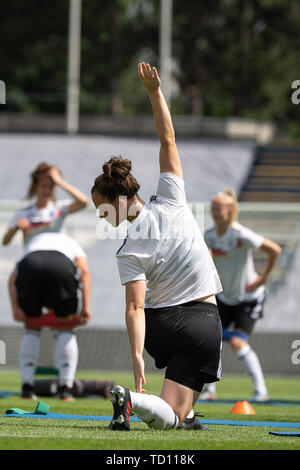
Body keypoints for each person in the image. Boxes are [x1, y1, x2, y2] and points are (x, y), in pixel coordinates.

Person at [91, 62, 223, 431]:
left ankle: (185, 412)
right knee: (172, 417)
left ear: (117, 202)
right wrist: (154, 92)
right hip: (200, 319)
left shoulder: (128, 249)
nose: (100, 217)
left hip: (162, 325)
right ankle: (136, 402)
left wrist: (137, 356)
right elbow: (168, 139)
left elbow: (135, 307)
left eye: (101, 208)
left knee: (183, 409)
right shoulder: (171, 196)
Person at [201, 189, 282, 402]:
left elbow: (274, 250)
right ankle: (209, 391)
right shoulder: (208, 236)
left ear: (230, 210)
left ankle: (261, 392)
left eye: (218, 208)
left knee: (237, 342)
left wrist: (262, 279)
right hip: (226, 298)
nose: (215, 212)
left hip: (249, 297)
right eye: (213, 208)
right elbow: (207, 261)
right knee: (211, 339)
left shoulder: (240, 235)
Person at [8, 232, 92, 401]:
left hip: (30, 264)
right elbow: (84, 273)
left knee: (32, 327)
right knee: (65, 327)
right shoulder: (72, 244)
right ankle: (65, 390)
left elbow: (12, 279)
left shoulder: (34, 242)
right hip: (60, 265)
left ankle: (27, 389)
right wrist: (86, 307)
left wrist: (16, 308)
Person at [2, 162, 89, 247]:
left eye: (51, 186)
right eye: (44, 186)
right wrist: (16, 227)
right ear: (35, 186)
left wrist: (59, 181)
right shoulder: (23, 213)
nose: (47, 190)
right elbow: (5, 242)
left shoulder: (60, 208)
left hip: (56, 256)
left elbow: (84, 202)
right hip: (32, 257)